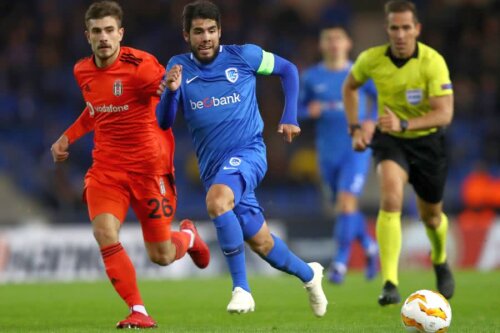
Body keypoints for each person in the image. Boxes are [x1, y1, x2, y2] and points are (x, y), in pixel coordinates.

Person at [156, 0, 327, 317]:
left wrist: (290, 116)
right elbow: (164, 121)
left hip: (249, 153)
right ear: (186, 35)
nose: (205, 37)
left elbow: (288, 70)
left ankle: (242, 290)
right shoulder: (177, 67)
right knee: (262, 243)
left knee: (217, 201)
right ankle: (310, 275)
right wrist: (170, 91)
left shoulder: (243, 56)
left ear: (219, 31)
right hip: (214, 168)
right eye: (198, 32)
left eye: (211, 30)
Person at [50, 1, 210, 328]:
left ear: (120, 33)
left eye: (110, 30)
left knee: (162, 255)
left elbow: (167, 97)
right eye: (97, 31)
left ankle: (189, 238)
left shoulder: (142, 66)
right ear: (87, 36)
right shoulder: (82, 70)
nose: (104, 37)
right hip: (107, 170)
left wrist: (171, 88)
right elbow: (98, 108)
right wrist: (67, 137)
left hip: (150, 170)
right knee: (104, 232)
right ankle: (138, 309)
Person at [343, 0, 455, 306]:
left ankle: (441, 259)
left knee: (431, 216)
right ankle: (390, 282)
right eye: (395, 27)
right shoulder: (372, 59)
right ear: (387, 29)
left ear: (417, 29)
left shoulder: (433, 62)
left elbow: (444, 114)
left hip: (428, 142)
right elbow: (350, 87)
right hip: (390, 139)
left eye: (407, 27)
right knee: (391, 196)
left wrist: (405, 122)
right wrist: (355, 127)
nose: (401, 34)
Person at [299, 25, 378, 284]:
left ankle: (340, 262)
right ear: (321, 46)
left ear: (348, 43)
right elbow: (295, 110)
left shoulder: (359, 74)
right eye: (328, 39)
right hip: (327, 153)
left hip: (355, 149)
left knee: (346, 202)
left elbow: (381, 100)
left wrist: (370, 122)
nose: (334, 43)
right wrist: (306, 111)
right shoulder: (311, 77)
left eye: (338, 39)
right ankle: (368, 245)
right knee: (344, 207)